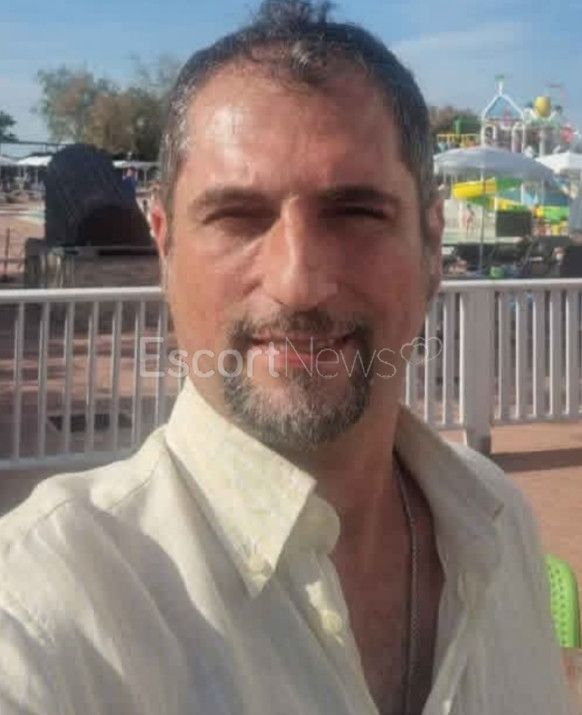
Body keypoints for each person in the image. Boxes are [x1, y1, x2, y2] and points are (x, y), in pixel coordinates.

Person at [0, 2, 575, 714]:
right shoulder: (46, 613)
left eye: (356, 214)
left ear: (432, 245)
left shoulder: (495, 521)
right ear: (165, 246)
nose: (298, 282)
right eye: (237, 217)